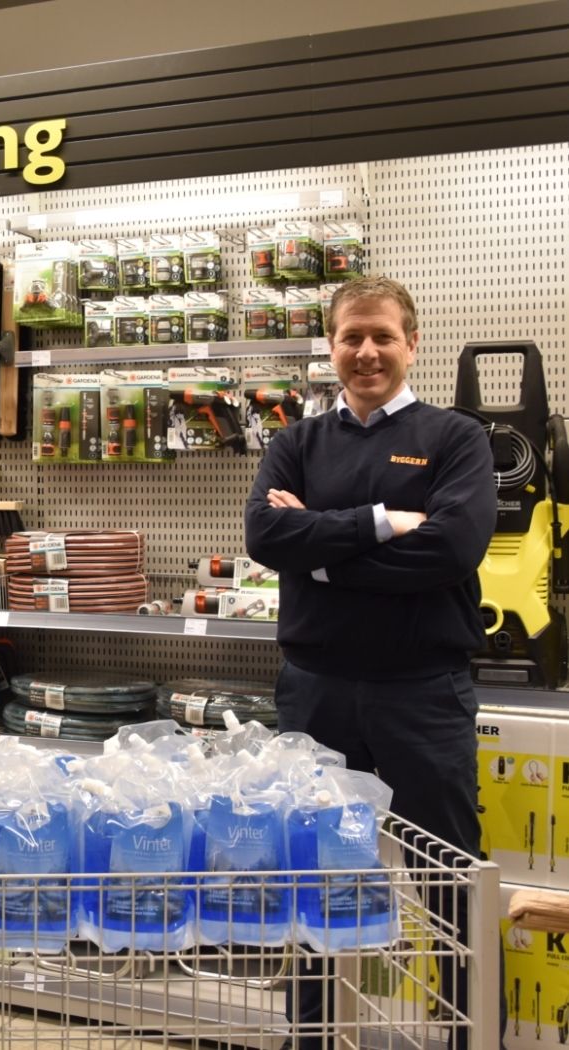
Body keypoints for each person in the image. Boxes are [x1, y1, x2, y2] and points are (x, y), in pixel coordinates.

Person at [244, 276, 497, 1049]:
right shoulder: (296, 443)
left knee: (447, 876)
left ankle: (467, 1035)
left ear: (411, 344)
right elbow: (265, 536)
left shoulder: (455, 437)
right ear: (331, 346)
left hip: (423, 694)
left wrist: (319, 553)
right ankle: (313, 1037)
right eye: (351, 336)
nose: (367, 352)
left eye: (383, 335)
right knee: (318, 873)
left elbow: (451, 550)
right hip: (316, 693)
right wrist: (384, 522)